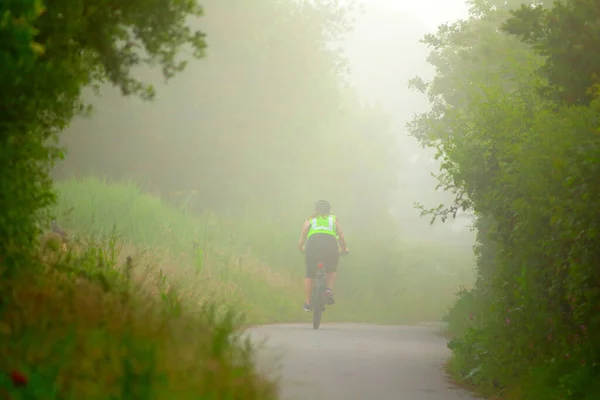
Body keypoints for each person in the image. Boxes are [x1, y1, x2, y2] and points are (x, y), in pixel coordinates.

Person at [297, 200, 349, 311]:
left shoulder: (310, 219)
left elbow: (303, 235)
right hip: (330, 245)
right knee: (331, 270)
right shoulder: (333, 220)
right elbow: (341, 236)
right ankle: (328, 289)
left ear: (315, 209)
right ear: (329, 210)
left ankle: (307, 303)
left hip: (313, 245)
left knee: (310, 274)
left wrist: (301, 248)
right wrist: (344, 249)